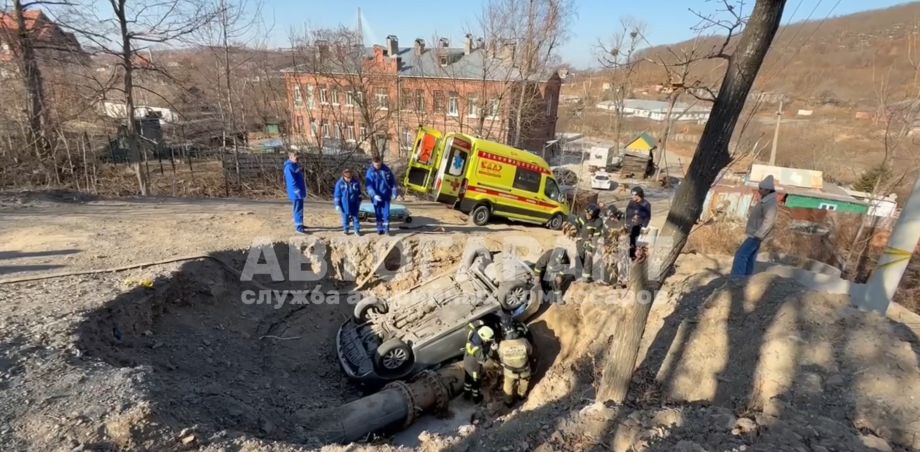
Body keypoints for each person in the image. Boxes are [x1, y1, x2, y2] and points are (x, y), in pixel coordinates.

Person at [731, 175, 778, 277]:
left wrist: (759, 234)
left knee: (741, 255)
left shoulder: (770, 203)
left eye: (761, 189)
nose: (759, 190)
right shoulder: (765, 200)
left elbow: (769, 221)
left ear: (768, 190)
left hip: (756, 235)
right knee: (750, 257)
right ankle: (746, 279)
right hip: (756, 233)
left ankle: (736, 279)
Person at [497, 315, 533, 407]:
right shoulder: (524, 341)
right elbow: (530, 352)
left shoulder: (502, 345)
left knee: (508, 386)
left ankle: (508, 402)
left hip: (510, 372)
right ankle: (521, 396)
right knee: (524, 383)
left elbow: (501, 357)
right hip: (525, 370)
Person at [564, 203, 604, 282]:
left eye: (589, 214)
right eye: (586, 213)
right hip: (580, 239)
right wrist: (575, 233)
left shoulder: (598, 222)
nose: (587, 215)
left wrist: (591, 248)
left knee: (588, 258)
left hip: (590, 241)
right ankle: (577, 275)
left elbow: (596, 237)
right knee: (578, 257)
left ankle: (587, 277)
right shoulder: (582, 217)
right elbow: (575, 224)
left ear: (594, 215)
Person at [463, 321, 496, 403]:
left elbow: (469, 326)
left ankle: (466, 395)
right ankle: (476, 398)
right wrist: (492, 350)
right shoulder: (478, 349)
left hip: (466, 361)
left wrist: (478, 322)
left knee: (467, 379)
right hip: (473, 368)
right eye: (488, 340)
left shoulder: (472, 333)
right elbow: (483, 359)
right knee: (475, 383)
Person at [365, 156, 398, 235]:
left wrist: (394, 192)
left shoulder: (386, 170)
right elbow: (369, 186)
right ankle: (379, 228)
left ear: (381, 162)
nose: (378, 166)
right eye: (376, 165)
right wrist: (374, 195)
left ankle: (386, 229)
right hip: (376, 196)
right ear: (373, 163)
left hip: (386, 195)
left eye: (379, 165)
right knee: (378, 213)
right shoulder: (370, 172)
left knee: (386, 213)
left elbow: (392, 182)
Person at [625, 186, 652, 260]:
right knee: (631, 248)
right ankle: (632, 260)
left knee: (638, 249)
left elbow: (647, 217)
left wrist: (643, 227)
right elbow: (627, 213)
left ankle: (639, 261)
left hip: (639, 229)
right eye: (632, 195)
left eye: (634, 195)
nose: (632, 197)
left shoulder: (646, 204)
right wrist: (627, 223)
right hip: (631, 228)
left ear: (639, 195)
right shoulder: (631, 202)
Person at [333, 168, 363, 236]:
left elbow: (359, 192)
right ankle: (346, 229)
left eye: (350, 177)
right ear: (344, 176)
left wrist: (360, 200)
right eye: (347, 177)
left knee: (355, 217)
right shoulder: (339, 183)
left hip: (354, 203)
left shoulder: (356, 182)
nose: (349, 179)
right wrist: (337, 204)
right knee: (345, 217)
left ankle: (357, 230)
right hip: (344, 203)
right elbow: (337, 194)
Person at [283, 152, 307, 234]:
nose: (298, 160)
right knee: (298, 209)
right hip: (296, 192)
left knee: (300, 208)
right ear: (290, 157)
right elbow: (291, 180)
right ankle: (298, 227)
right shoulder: (289, 167)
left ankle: (300, 223)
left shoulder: (294, 165)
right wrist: (296, 190)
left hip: (299, 190)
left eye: (298, 158)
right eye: (296, 158)